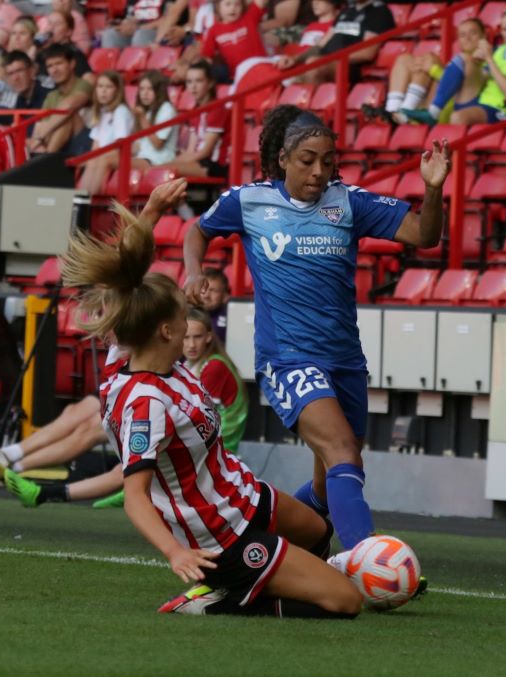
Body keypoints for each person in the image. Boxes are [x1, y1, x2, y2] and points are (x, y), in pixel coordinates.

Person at [62, 177, 362, 618]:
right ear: (167, 331)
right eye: (185, 318)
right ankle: (225, 598)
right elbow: (134, 496)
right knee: (345, 601)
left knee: (318, 532)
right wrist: (173, 553)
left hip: (238, 492)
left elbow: (123, 280)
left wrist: (151, 212)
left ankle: (249, 584)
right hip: (218, 533)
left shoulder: (132, 350)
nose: (192, 324)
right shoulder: (146, 403)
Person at [183, 105, 450, 555]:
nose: (318, 171)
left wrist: (433, 188)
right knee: (343, 449)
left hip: (345, 358)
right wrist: (193, 271)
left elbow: (424, 236)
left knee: (333, 481)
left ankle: (259, 527)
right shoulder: (247, 201)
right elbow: (197, 229)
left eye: (327, 161)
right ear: (283, 159)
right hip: (287, 357)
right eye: (307, 160)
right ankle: (366, 558)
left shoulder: (348, 202)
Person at [364, 17, 487, 126]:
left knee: (431, 59)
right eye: (463, 35)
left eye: (473, 33)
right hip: (431, 105)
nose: (468, 38)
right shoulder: (457, 60)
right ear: (458, 41)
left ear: (484, 36)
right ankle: (393, 110)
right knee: (404, 59)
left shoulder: (490, 59)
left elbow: (463, 88)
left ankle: (403, 114)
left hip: (449, 110)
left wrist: (433, 70)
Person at [450, 8, 506, 126]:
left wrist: (489, 59)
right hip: (480, 102)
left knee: (458, 118)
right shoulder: (499, 50)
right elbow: (484, 77)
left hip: (502, 110)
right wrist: (475, 64)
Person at [275, 0, 393, 85]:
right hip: (326, 60)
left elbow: (367, 53)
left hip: (349, 66)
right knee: (289, 71)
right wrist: (295, 59)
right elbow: (322, 44)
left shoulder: (379, 12)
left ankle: (311, 115)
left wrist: (328, 59)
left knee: (313, 64)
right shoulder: (346, 11)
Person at [184, 306, 248, 452]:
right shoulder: (187, 365)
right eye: (185, 337)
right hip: (206, 444)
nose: (191, 345)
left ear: (208, 336)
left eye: (197, 337)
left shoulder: (215, 366)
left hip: (219, 447)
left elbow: (199, 415)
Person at [160, 60, 228, 180]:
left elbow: (205, 152)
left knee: (164, 171)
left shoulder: (217, 109)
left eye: (199, 81)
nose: (193, 86)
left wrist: (171, 165)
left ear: (210, 83)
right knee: (158, 169)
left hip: (214, 164)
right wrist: (168, 163)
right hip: (199, 161)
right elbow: (191, 150)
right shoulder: (195, 111)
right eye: (189, 81)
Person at [77, 70, 136, 194]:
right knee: (90, 158)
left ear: (117, 90)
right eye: (100, 86)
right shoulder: (102, 112)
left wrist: (98, 156)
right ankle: (81, 199)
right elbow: (96, 145)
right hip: (104, 156)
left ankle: (87, 200)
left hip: (120, 156)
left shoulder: (121, 111)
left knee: (99, 159)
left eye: (108, 87)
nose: (103, 91)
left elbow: (120, 145)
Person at [28, 44, 92, 154]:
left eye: (59, 63)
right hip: (59, 147)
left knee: (68, 116)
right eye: (50, 66)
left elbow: (69, 105)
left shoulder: (83, 84)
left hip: (84, 145)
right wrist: (38, 140)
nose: (54, 70)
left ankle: (43, 161)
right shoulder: (51, 96)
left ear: (72, 64)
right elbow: (41, 125)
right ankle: (42, 159)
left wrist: (39, 138)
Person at [130, 69, 178, 170]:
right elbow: (137, 146)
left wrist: (142, 118)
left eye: (150, 89)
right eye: (142, 89)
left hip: (158, 161)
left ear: (158, 91)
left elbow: (157, 144)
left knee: (108, 161)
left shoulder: (167, 109)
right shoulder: (148, 112)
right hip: (143, 158)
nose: (144, 93)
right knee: (104, 158)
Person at [200, 266, 230, 340]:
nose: (206, 295)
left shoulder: (232, 319)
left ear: (225, 296)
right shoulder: (185, 315)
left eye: (213, 290)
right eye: (203, 289)